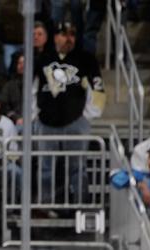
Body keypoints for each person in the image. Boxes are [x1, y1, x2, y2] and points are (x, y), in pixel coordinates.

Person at [33, 21, 105, 203]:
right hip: (46, 122)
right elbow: (32, 89)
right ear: (55, 37)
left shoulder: (86, 59)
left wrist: (86, 117)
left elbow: (98, 89)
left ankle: (81, 204)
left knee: (78, 166)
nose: (69, 38)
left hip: (76, 122)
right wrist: (34, 115)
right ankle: (45, 205)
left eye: (72, 34)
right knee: (45, 167)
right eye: (64, 34)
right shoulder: (43, 58)